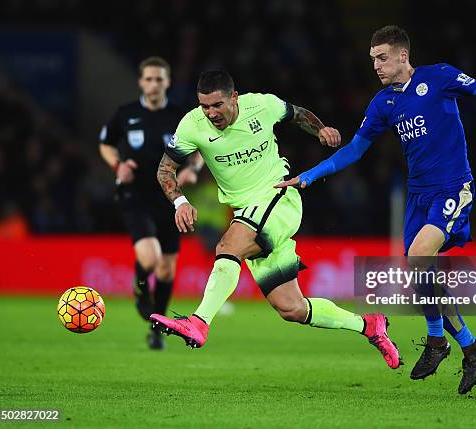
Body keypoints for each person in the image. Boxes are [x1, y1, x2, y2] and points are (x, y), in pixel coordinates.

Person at [276, 25, 476, 393]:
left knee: (421, 256)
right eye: (372, 59)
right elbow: (356, 149)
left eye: (382, 57)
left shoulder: (439, 77)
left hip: (453, 188)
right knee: (423, 275)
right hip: (418, 196)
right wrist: (308, 176)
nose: (375, 65)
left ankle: (438, 341)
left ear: (403, 56)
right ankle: (470, 347)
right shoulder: (382, 103)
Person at [149, 70, 401, 370]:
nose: (211, 113)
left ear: (234, 97)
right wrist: (180, 201)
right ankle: (369, 325)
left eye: (217, 105)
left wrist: (319, 130)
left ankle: (199, 322)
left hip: (278, 196)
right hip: (247, 212)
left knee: (228, 246)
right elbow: (165, 170)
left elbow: (296, 114)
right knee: (292, 308)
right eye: (204, 106)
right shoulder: (192, 125)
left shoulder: (262, 105)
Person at [99, 56, 202, 350]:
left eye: (159, 79)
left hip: (169, 198)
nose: (154, 84)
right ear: (141, 82)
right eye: (148, 79)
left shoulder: (181, 117)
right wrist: (118, 165)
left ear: (167, 82)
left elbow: (199, 149)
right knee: (150, 259)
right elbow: (105, 144)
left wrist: (192, 170)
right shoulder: (125, 114)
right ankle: (140, 287)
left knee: (167, 270)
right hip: (135, 196)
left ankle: (157, 328)